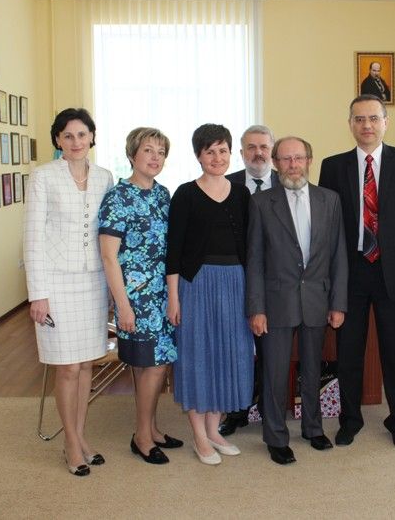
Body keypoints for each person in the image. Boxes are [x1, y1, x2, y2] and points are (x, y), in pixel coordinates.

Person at [319, 94, 395, 448]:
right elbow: (328, 228)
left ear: (385, 123)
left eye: (374, 118)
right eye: (359, 119)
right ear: (350, 124)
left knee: (394, 351)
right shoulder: (333, 166)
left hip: (393, 271)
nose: (367, 125)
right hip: (350, 272)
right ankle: (350, 419)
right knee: (349, 351)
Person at [246, 136, 348, 465]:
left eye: (299, 158)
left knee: (313, 369)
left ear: (309, 161)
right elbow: (255, 260)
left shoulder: (329, 200)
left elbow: (338, 255)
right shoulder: (261, 203)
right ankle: (276, 437)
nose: (293, 165)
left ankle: (313, 428)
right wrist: (256, 308)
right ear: (276, 164)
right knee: (275, 373)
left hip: (317, 299)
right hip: (276, 302)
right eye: (286, 159)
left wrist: (338, 303)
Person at [23, 108, 113, 477]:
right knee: (68, 367)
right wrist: (37, 294)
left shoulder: (105, 177)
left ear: (92, 137)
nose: (76, 142)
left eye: (82, 134)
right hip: (56, 282)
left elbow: (108, 234)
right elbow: (32, 237)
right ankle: (71, 443)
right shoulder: (43, 176)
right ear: (58, 140)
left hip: (93, 282)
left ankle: (79, 436)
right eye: (68, 135)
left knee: (87, 364)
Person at [166, 124, 255, 466]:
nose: (217, 158)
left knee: (227, 355)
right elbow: (174, 252)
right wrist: (174, 298)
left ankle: (214, 430)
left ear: (231, 153)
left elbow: (250, 246)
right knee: (197, 357)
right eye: (209, 151)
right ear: (198, 156)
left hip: (235, 283)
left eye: (222, 151)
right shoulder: (185, 194)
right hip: (196, 285)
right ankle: (199, 437)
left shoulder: (242, 194)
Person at [98, 127, 183, 465]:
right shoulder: (118, 197)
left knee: (152, 365)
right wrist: (122, 306)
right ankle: (142, 437)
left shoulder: (163, 195)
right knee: (152, 365)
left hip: (163, 294)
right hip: (135, 298)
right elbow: (108, 256)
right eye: (148, 150)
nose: (155, 157)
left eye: (161, 152)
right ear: (132, 154)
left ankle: (151, 428)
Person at [220, 124, 279, 436]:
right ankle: (236, 411)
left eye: (264, 147)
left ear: (272, 151)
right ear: (241, 153)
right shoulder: (225, 185)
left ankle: (270, 410)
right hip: (235, 280)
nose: (258, 153)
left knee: (271, 350)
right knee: (237, 349)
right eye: (251, 147)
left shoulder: (288, 183)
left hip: (277, 283)